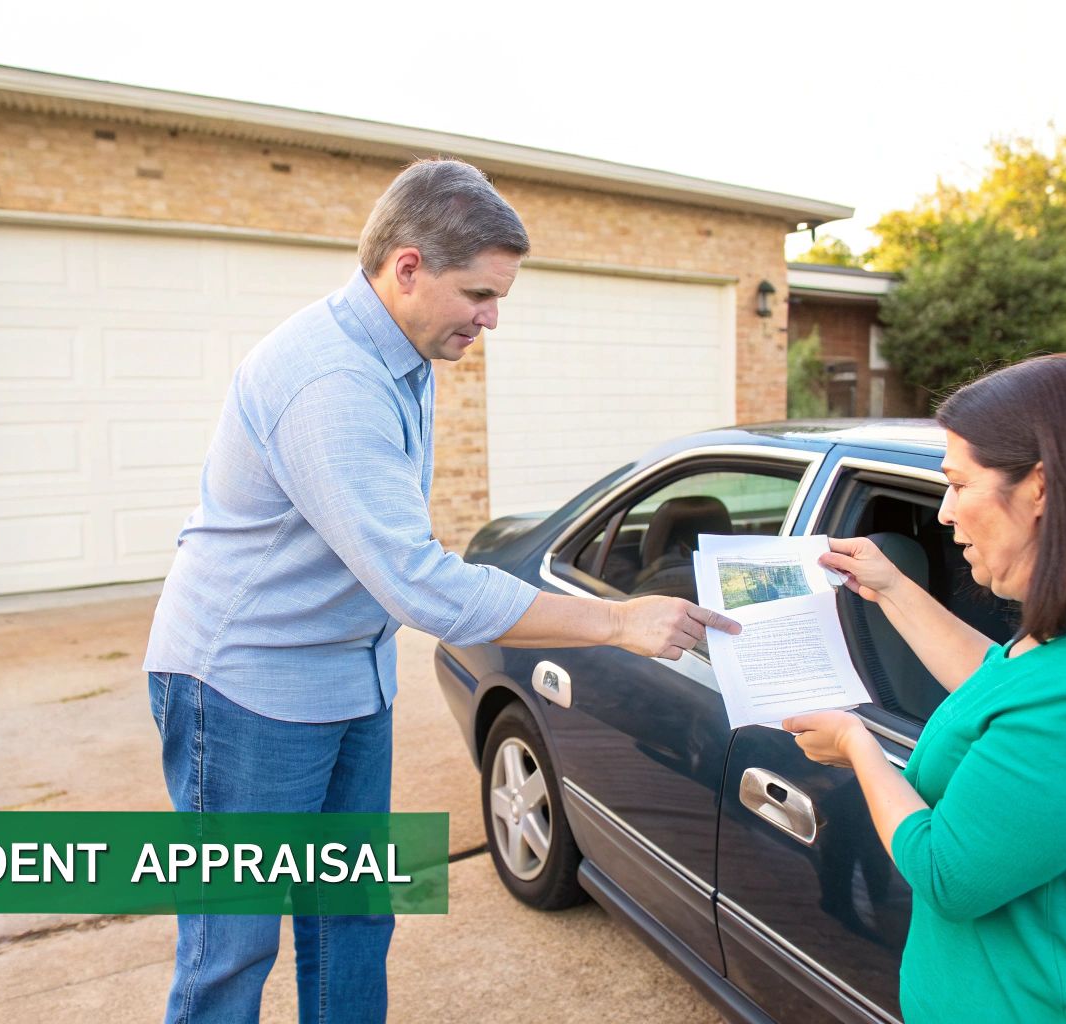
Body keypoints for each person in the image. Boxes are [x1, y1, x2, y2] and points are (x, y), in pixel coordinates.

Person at [142, 158, 737, 1024]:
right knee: (232, 946)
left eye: (499, 297)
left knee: (353, 915)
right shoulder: (331, 382)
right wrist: (614, 620)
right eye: (479, 295)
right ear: (407, 267)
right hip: (244, 688)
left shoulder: (404, 351)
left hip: (349, 678)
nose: (491, 319)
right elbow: (421, 586)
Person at [784, 353, 1066, 1022]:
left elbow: (945, 873)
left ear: (1042, 488)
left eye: (959, 485)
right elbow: (1004, 690)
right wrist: (892, 589)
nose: (943, 512)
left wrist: (857, 744)